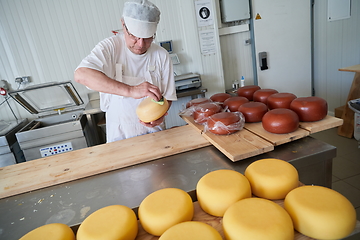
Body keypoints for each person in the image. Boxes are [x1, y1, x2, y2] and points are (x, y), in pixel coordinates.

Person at [74, 0, 177, 143]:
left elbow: (168, 97)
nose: (140, 44)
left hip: (155, 136)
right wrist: (131, 90)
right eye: (134, 36)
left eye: (147, 38)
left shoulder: (161, 55)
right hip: (119, 138)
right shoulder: (111, 47)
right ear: (123, 25)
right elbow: (81, 75)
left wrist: (161, 115)